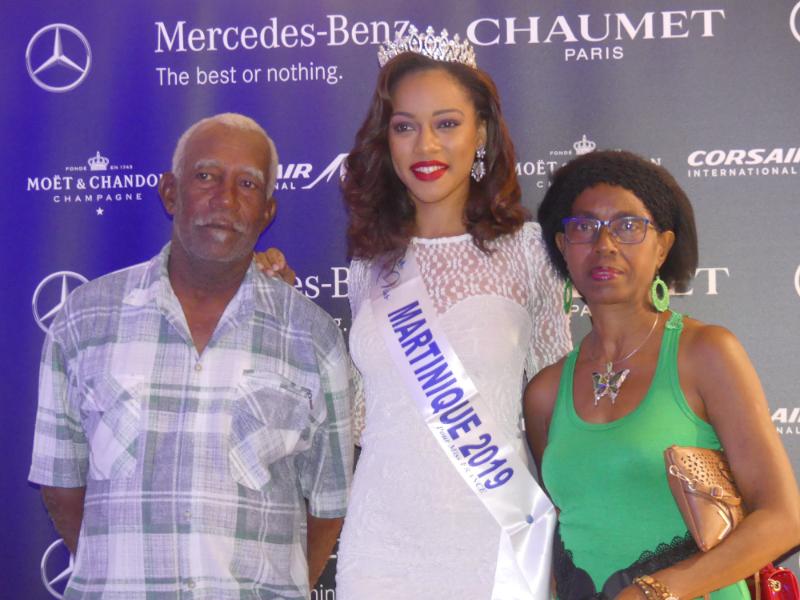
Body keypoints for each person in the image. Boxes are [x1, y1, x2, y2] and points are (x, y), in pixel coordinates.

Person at [28, 113, 353, 599]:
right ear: (169, 193)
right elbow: (61, 485)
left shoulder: (312, 336)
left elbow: (329, 503)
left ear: (267, 212)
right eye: (206, 176)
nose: (225, 198)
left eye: (247, 183)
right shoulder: (84, 319)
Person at [332, 26, 572, 599]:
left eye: (446, 123)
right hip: (379, 545)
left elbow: (554, 410)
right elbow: (364, 416)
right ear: (386, 140)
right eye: (405, 126)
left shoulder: (529, 251)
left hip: (493, 536)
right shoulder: (370, 265)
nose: (425, 146)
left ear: (480, 133)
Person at [525, 150, 800, 599]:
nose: (604, 244)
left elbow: (783, 519)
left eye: (628, 226)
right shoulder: (545, 392)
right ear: (562, 246)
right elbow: (554, 535)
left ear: (663, 247)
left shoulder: (705, 353)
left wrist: (654, 591)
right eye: (584, 227)